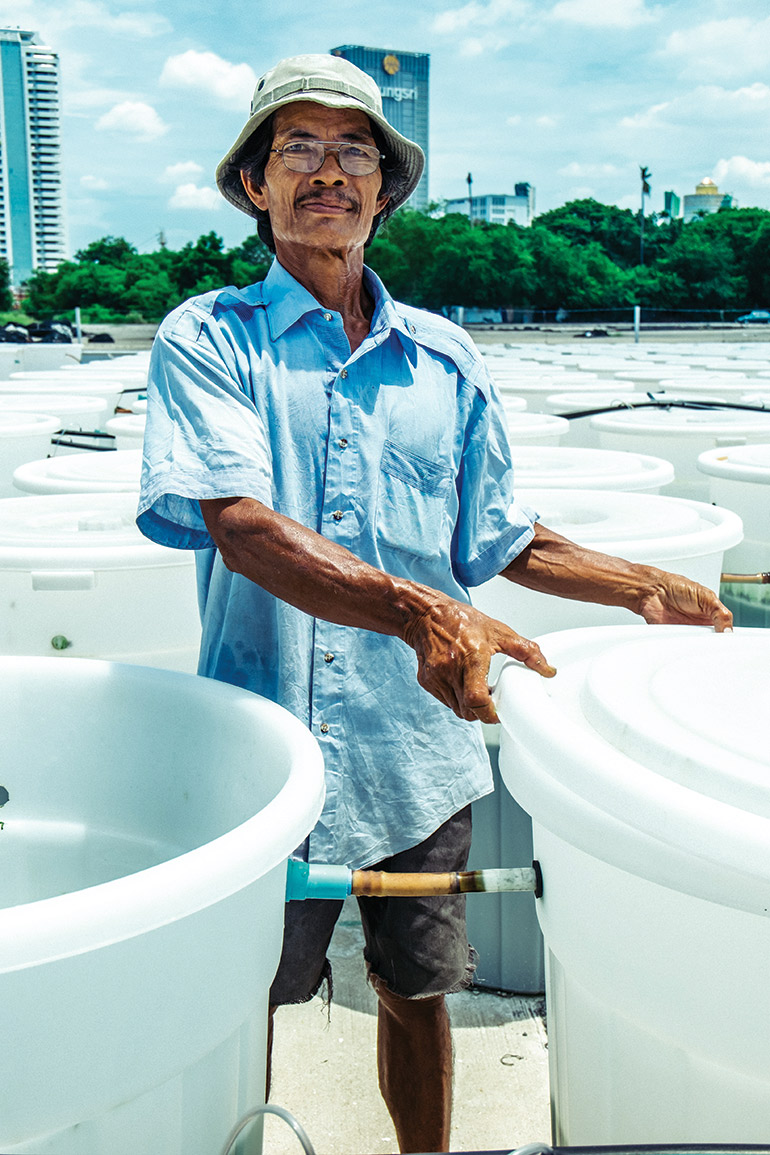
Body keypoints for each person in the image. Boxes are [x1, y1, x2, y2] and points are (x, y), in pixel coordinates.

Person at [137, 53, 732, 1154]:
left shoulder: (445, 358)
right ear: (253, 186)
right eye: (298, 151)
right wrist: (421, 614)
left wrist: (636, 582)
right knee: (243, 1003)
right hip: (264, 749)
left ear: (384, 188)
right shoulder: (208, 338)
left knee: (419, 992)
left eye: (354, 151)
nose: (329, 172)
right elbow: (242, 526)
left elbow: (498, 540)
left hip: (414, 748)